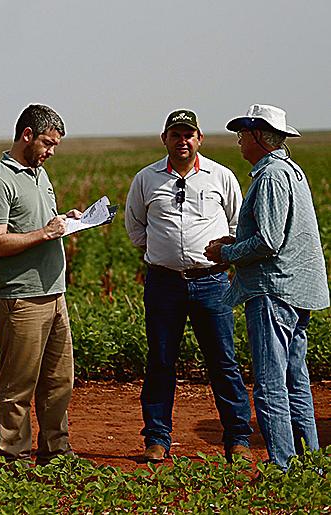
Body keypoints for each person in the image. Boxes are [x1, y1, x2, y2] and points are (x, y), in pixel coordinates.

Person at [204, 104, 329, 470]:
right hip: (295, 289)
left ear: (259, 136)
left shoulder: (271, 176)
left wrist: (227, 252)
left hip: (273, 290)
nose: (239, 141)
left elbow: (269, 241)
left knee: (272, 385)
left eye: (243, 134)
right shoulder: (291, 171)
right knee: (296, 381)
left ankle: (283, 467)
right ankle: (311, 466)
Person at [125, 109, 253, 463]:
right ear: (164, 139)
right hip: (164, 283)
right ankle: (157, 439)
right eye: (175, 135)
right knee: (161, 360)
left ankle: (238, 439)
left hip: (211, 282)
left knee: (223, 362)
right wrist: (163, 252)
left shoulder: (220, 176)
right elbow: (135, 227)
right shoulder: (146, 179)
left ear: (199, 139)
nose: (182, 141)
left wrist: (222, 254)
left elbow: (237, 222)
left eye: (188, 135)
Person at [0, 104, 81, 465]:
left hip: (54, 294)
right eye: (47, 144)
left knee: (59, 382)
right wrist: (44, 233)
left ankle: (57, 451)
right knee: (18, 386)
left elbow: (39, 223)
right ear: (27, 136)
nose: (51, 152)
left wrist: (64, 221)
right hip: (21, 298)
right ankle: (15, 458)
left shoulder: (39, 173)